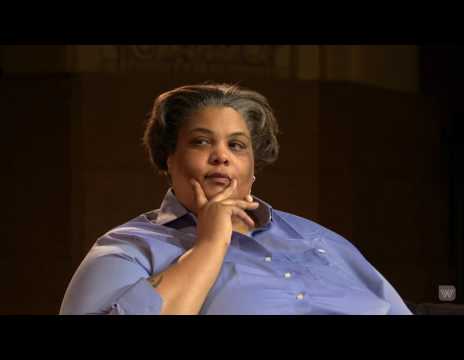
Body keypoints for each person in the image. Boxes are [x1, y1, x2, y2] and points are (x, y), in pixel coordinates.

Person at [60, 83, 412, 315]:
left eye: (237, 145)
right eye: (201, 141)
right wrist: (212, 242)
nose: (221, 156)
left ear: (252, 167)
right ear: (169, 158)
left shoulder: (321, 241)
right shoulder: (130, 248)